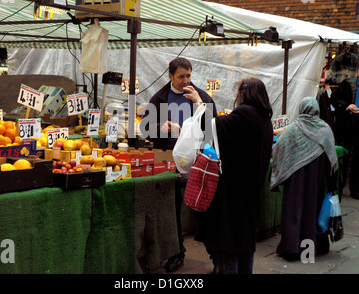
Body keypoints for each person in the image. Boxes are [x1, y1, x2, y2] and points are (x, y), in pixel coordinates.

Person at [141, 57, 217, 273]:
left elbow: (213, 126)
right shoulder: (159, 98)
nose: (186, 80)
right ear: (170, 76)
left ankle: (215, 253)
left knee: (201, 209)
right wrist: (160, 128)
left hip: (198, 160)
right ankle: (176, 253)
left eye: (189, 76)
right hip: (169, 161)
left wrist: (200, 104)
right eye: (181, 76)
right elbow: (145, 128)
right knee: (170, 211)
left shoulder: (200, 96)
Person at [194, 78, 273, 274]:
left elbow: (211, 128)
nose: (236, 97)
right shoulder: (264, 118)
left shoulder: (245, 114)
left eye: (238, 92)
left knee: (228, 245)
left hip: (233, 193)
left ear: (244, 94)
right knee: (245, 244)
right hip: (250, 191)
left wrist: (199, 103)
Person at [271, 96, 338, 260]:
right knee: (313, 210)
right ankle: (312, 248)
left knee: (294, 210)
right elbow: (332, 159)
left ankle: (292, 248)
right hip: (317, 182)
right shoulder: (325, 129)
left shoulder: (293, 129)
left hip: (295, 182)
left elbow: (278, 149)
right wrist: (332, 183)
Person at [329, 69, 359, 199]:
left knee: (357, 159)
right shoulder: (347, 84)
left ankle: (355, 189)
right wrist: (347, 106)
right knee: (344, 154)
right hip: (346, 125)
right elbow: (334, 100)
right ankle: (338, 186)